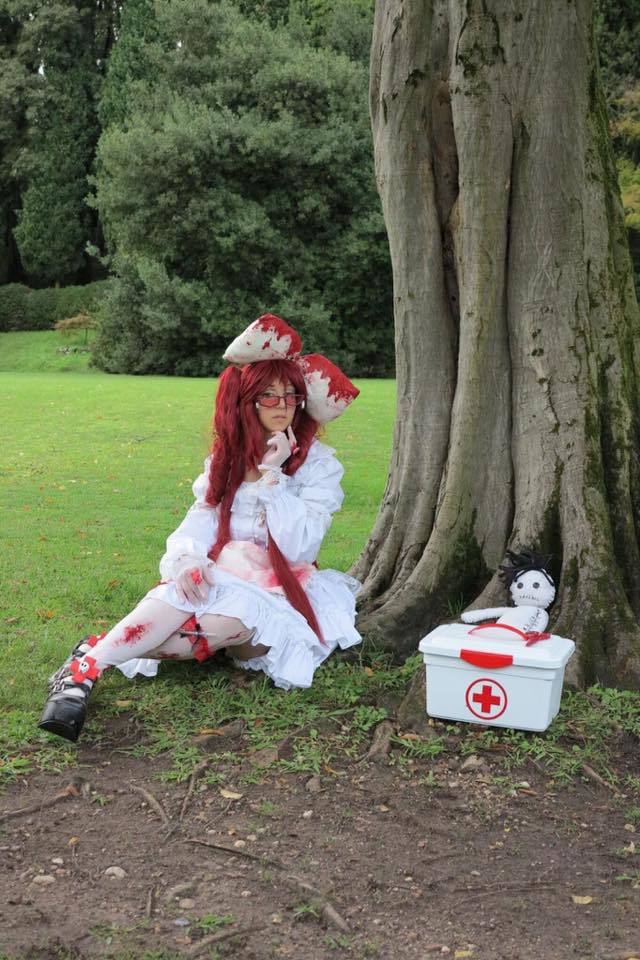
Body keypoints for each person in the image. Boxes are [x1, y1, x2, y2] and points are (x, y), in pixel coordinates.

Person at [39, 314, 362, 742]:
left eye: (290, 395)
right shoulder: (228, 458)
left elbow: (299, 547)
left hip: (279, 590)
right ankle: (83, 674)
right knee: (180, 591)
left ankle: (94, 649)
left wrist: (273, 476)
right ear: (248, 401)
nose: (282, 404)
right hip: (227, 572)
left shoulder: (318, 466)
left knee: (225, 625)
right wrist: (188, 558)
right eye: (268, 395)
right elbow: (203, 515)